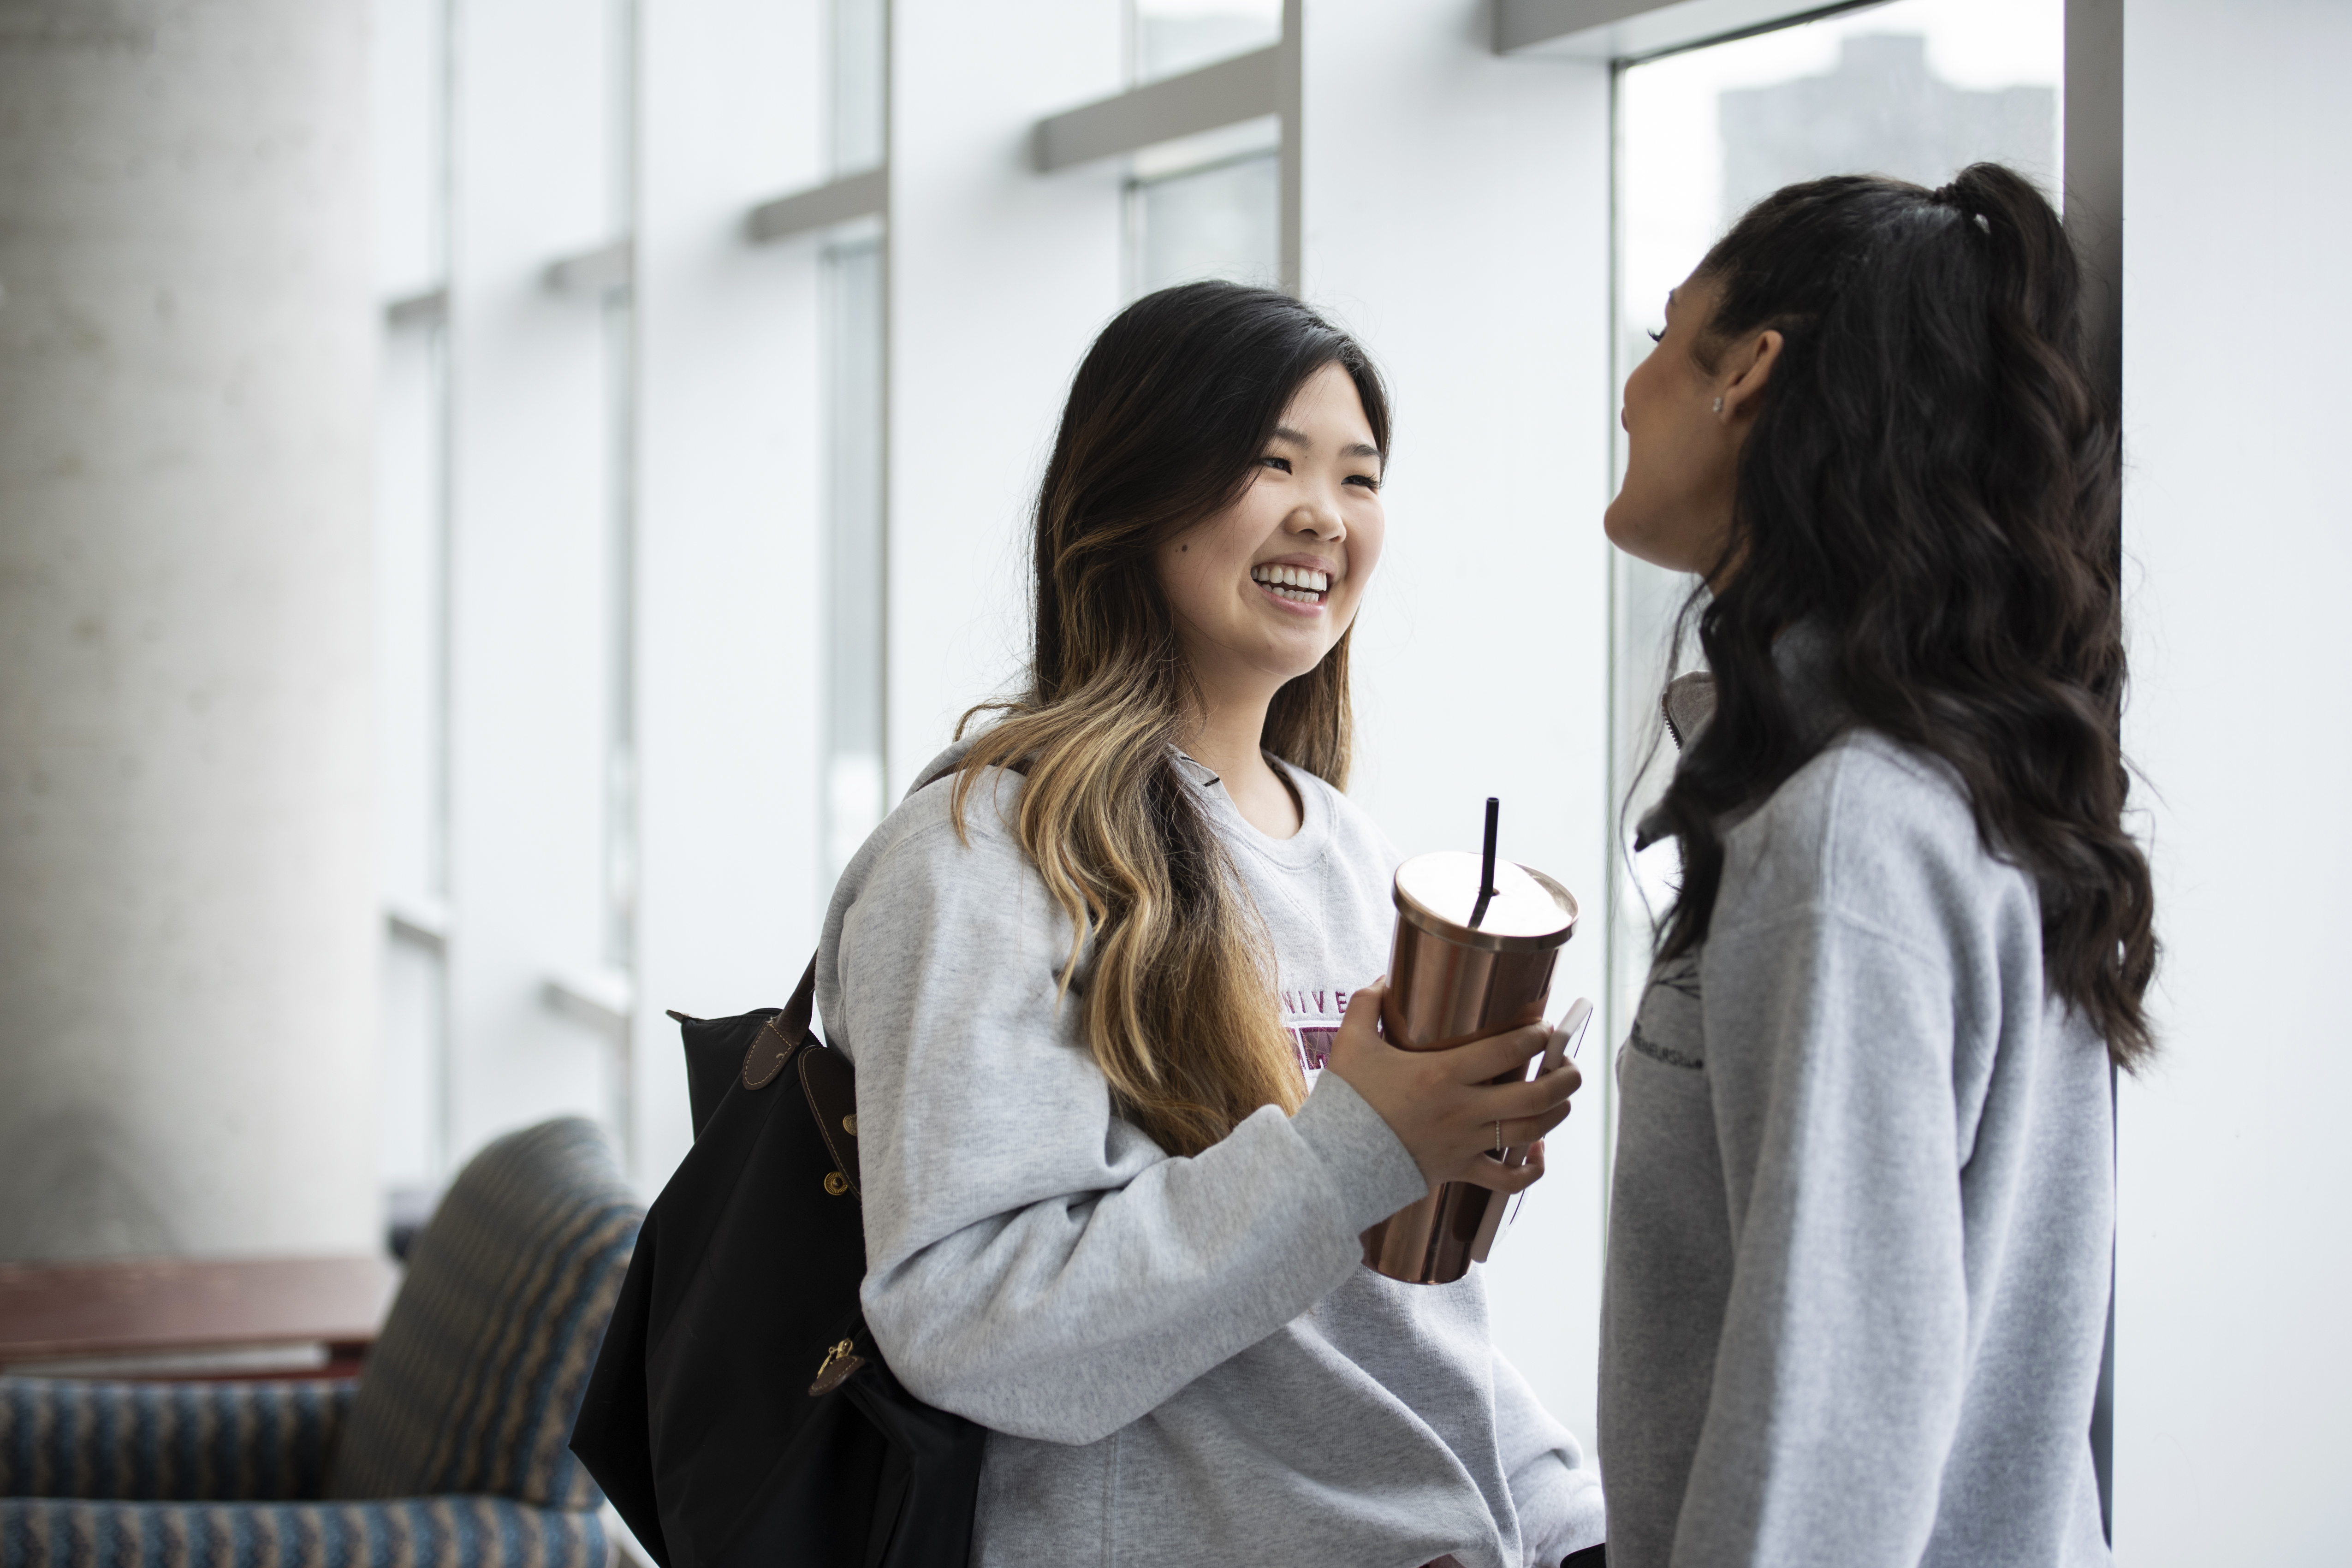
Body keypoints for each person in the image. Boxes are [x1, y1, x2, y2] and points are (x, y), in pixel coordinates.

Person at [815, 281, 1606, 1568]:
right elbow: (964, 1321)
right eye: (1267, 461)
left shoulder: (1356, 860)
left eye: (1358, 477)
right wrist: (1355, 1152)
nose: (1323, 514)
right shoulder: (985, 858)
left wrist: (1567, 1516)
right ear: (1132, 493)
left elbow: (1386, 1330)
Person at [1596, 163, 2154, 1568]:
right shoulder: (1954, 789)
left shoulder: (1844, 836)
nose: (1632, 385)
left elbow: (1817, 1441)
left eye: (1666, 338)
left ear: (1751, 375)